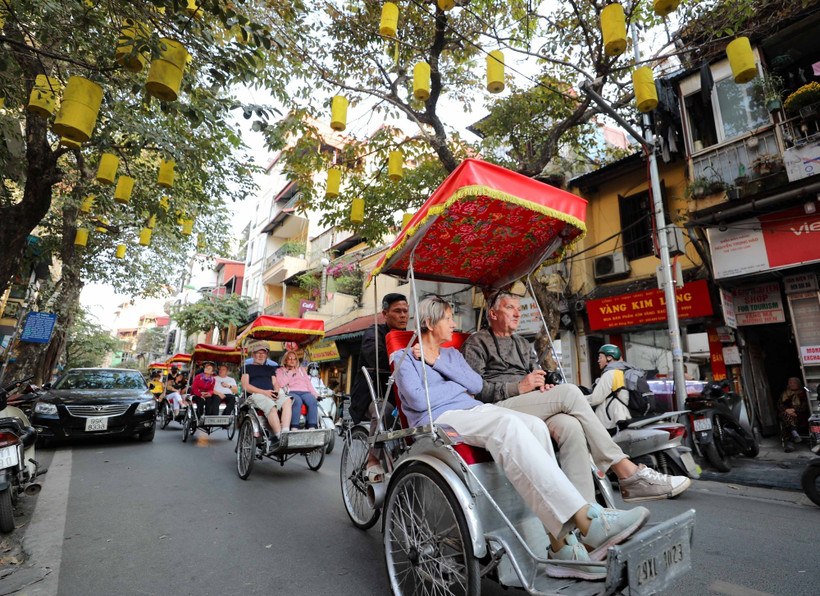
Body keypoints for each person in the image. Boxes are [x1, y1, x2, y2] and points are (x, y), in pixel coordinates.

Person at [394, 297, 650, 580]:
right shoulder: (403, 358)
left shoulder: (450, 355)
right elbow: (419, 400)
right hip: (440, 419)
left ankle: (559, 545)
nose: (454, 324)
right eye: (448, 318)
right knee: (508, 424)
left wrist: (439, 363)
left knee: (535, 426)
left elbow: (475, 384)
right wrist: (456, 387)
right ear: (429, 323)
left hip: (472, 410)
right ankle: (587, 520)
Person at [461, 292, 689, 504]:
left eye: (519, 309)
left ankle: (587, 512)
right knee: (570, 392)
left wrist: (543, 383)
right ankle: (625, 471)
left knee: (570, 426)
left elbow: (536, 373)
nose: (517, 313)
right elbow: (475, 389)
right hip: (497, 406)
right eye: (510, 308)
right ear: (493, 314)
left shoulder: (521, 343)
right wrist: (517, 387)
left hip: (529, 402)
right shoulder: (476, 342)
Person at [349, 292, 409, 482]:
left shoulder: (409, 336)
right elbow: (378, 358)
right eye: (397, 311)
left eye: (406, 311)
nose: (403, 315)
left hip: (401, 395)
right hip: (373, 395)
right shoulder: (373, 334)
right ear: (385, 313)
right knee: (384, 411)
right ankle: (372, 459)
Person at [241, 342, 290, 450]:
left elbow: (275, 383)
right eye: (258, 353)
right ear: (253, 355)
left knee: (287, 401)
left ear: (266, 355)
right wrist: (264, 392)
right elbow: (245, 386)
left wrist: (276, 391)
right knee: (271, 406)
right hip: (256, 395)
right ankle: (279, 437)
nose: (260, 355)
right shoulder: (247, 368)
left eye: (263, 353)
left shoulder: (270, 368)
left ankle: (285, 432)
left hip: (271, 393)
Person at [587, 344, 633, 429]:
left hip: (611, 422)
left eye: (600, 357)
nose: (598, 360)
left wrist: (579, 399)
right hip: (625, 416)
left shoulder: (610, 373)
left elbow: (595, 399)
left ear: (609, 358)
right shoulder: (625, 371)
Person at [275, 351, 319, 430]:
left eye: (294, 358)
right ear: (285, 360)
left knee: (313, 400)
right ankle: (294, 427)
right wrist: (290, 373)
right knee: (297, 401)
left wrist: (314, 393)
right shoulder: (280, 371)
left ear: (297, 360)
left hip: (305, 391)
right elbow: (281, 383)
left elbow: (308, 383)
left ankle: (312, 427)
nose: (292, 360)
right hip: (291, 391)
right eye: (290, 358)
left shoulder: (301, 370)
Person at [779, 377, 807, 452]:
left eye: (794, 383)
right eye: (790, 383)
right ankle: (794, 432)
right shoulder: (785, 393)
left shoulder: (803, 393)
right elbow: (780, 404)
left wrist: (794, 410)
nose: (792, 384)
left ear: (798, 384)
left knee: (787, 418)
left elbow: (805, 405)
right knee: (786, 415)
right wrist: (786, 410)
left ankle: (790, 442)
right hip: (787, 413)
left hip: (799, 413)